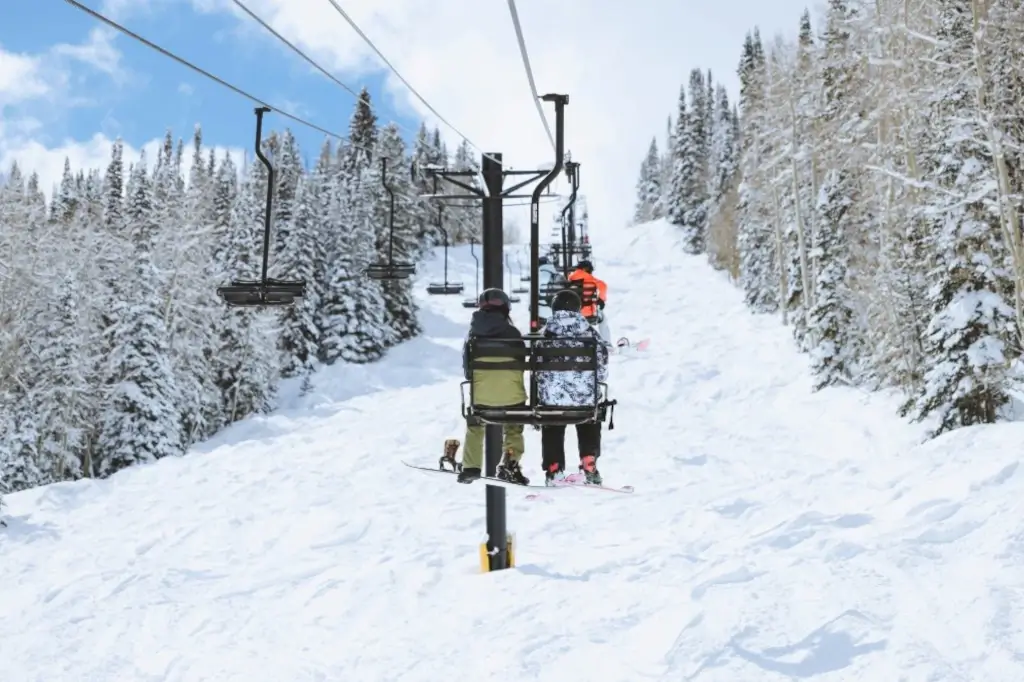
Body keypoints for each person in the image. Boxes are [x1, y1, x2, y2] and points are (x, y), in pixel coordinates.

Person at [534, 289, 609, 485]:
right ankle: (589, 461)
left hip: (552, 400)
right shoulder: (590, 334)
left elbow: (536, 369)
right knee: (589, 413)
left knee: (552, 420)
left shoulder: (544, 334)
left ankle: (554, 467)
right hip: (584, 400)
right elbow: (601, 372)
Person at [458, 287, 529, 485]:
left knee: (475, 424)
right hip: (513, 398)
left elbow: (467, 370)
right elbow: (522, 363)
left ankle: (471, 466)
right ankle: (509, 463)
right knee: (514, 427)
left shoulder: (472, 337)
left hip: (482, 398)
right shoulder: (513, 333)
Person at [567, 260, 610, 342]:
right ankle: (606, 343)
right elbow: (603, 286)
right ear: (585, 269)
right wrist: (601, 299)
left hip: (573, 313)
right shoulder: (590, 278)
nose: (591, 272)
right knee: (603, 319)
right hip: (588, 313)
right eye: (590, 270)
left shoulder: (570, 278)